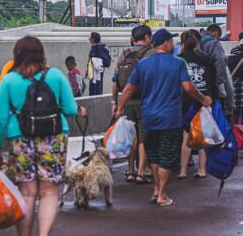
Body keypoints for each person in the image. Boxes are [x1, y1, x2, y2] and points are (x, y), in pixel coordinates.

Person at [0, 36, 84, 236]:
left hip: (20, 138)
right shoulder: (55, 75)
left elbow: (0, 119)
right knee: (49, 192)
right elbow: (71, 109)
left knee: (27, 193)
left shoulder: (9, 80)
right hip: (53, 138)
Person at [114, 29, 212, 207]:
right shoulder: (178, 63)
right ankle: (161, 194)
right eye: (171, 41)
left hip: (149, 116)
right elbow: (188, 87)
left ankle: (156, 190)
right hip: (170, 117)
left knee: (154, 155)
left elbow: (128, 88)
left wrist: (119, 108)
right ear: (166, 43)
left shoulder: (143, 64)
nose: (173, 44)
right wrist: (204, 99)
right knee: (167, 156)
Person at [114, 25, 156, 185]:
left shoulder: (124, 53)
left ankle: (130, 170)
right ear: (146, 37)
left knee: (131, 137)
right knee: (144, 137)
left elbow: (115, 80)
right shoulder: (151, 54)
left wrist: (116, 103)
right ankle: (141, 172)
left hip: (127, 101)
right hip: (145, 101)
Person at [177, 31, 218, 180]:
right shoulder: (205, 58)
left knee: (186, 136)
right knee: (203, 136)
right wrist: (213, 98)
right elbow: (213, 80)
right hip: (204, 100)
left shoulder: (179, 59)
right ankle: (201, 169)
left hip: (185, 101)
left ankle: (182, 171)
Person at [200, 24, 234, 114]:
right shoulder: (214, 43)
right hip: (213, 90)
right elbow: (220, 61)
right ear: (215, 33)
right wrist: (219, 82)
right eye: (218, 37)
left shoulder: (196, 40)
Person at [87, 32, 111, 96]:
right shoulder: (93, 48)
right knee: (92, 91)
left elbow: (106, 61)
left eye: (90, 38)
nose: (89, 39)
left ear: (93, 39)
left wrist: (96, 62)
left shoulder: (99, 48)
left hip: (97, 75)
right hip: (92, 74)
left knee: (96, 92)